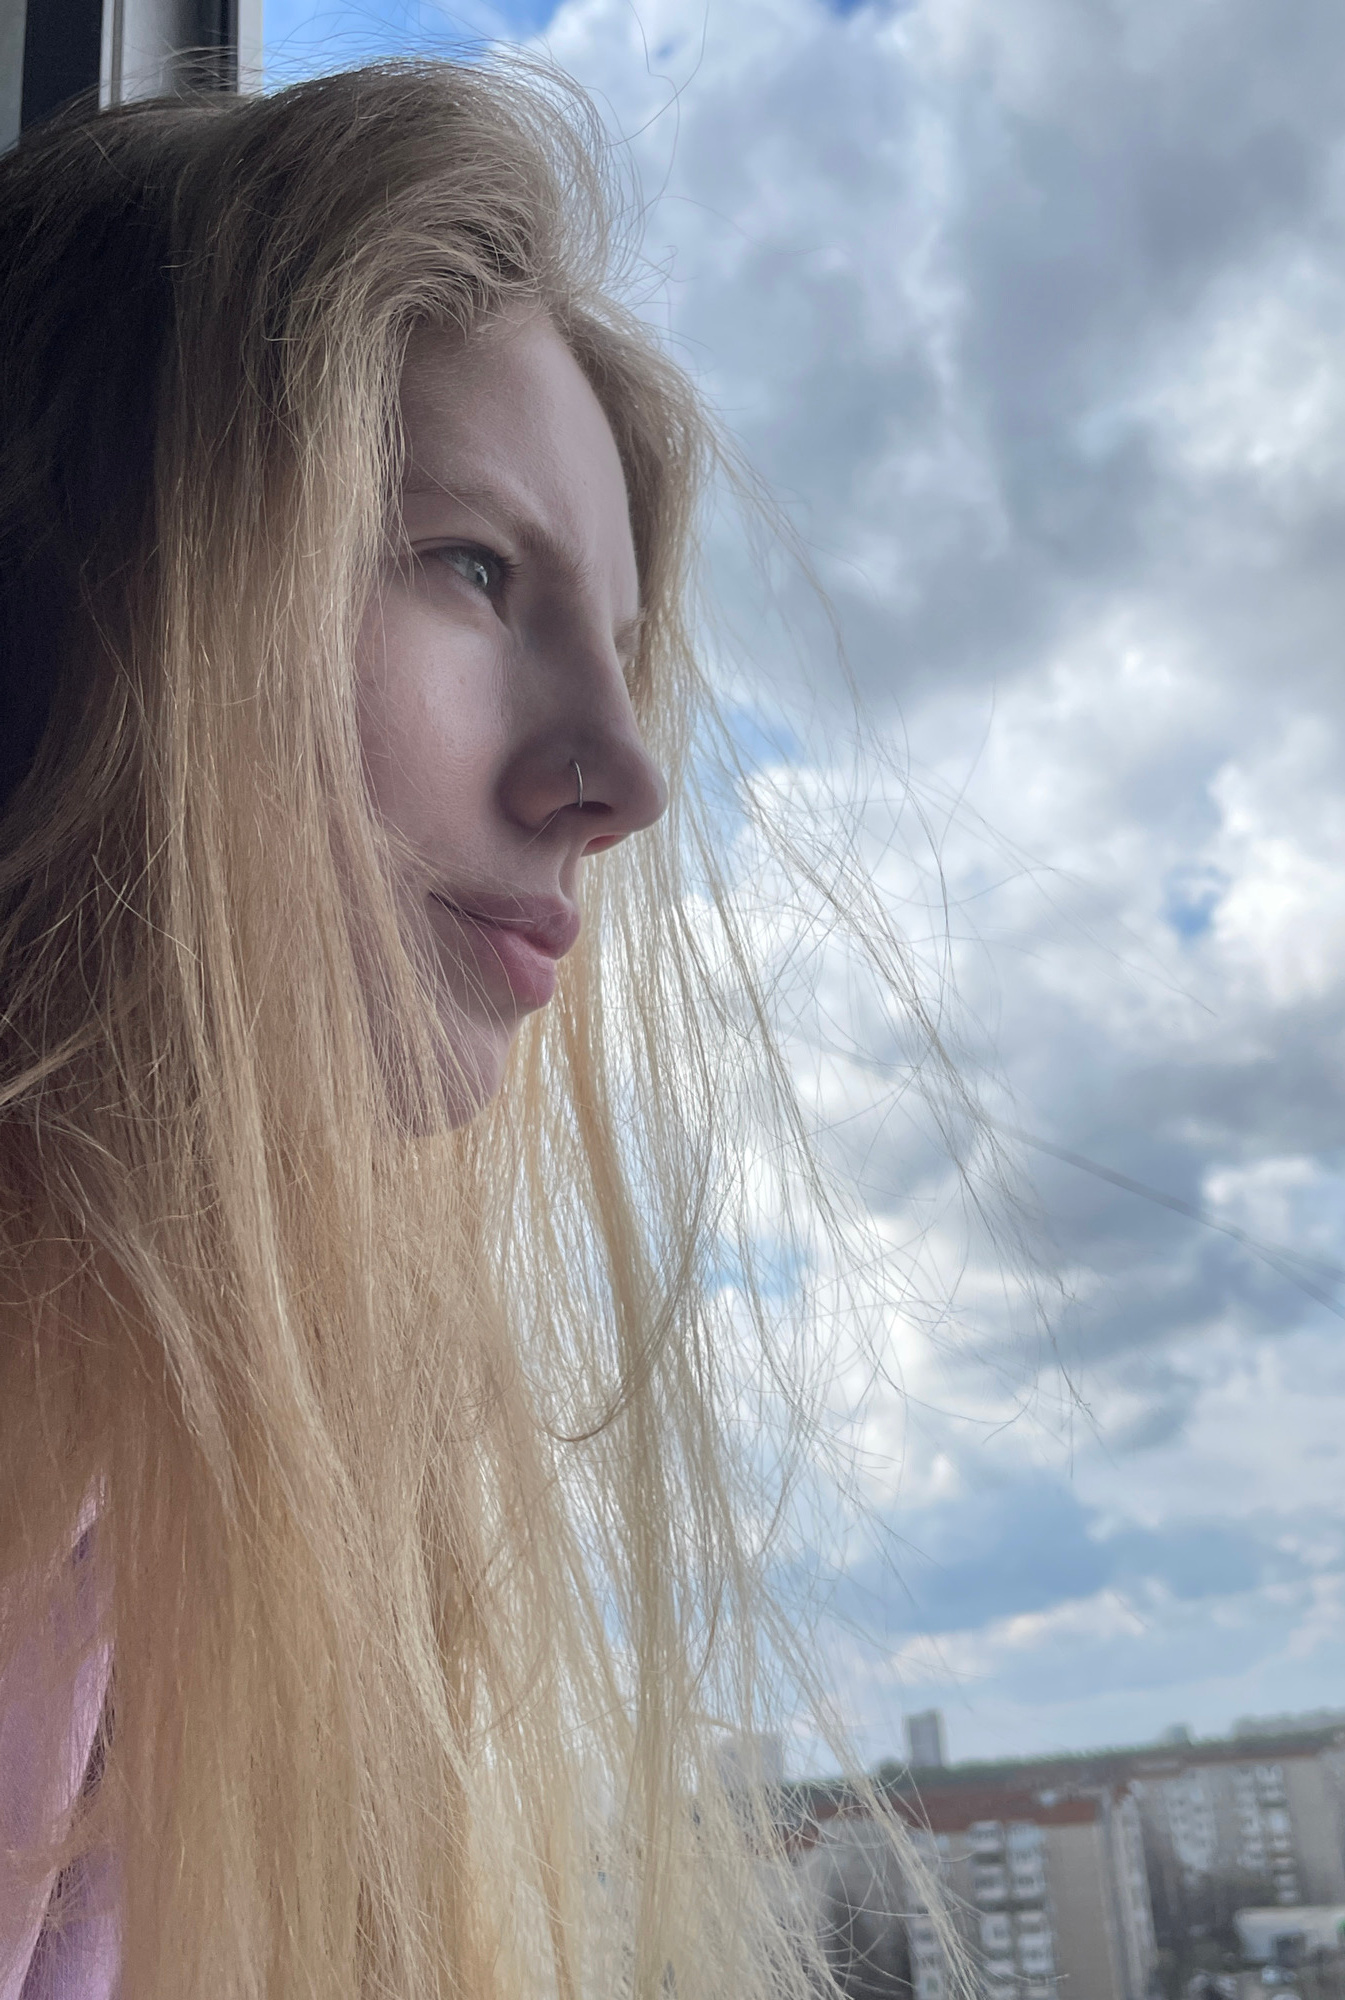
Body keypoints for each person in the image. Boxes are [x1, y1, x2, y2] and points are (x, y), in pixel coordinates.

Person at [0, 55, 905, 1999]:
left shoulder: (147, 1515)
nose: (623, 777)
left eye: (621, 645)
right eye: (474, 568)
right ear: (86, 577)